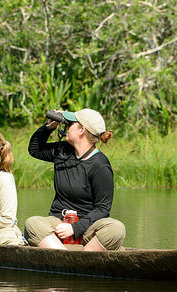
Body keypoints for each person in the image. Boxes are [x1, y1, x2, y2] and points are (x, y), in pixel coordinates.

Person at [24, 108, 125, 251]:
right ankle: (66, 256)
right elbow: (35, 149)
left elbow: (103, 209)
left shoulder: (100, 165)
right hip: (58, 223)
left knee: (117, 229)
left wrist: (74, 228)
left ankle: (79, 256)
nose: (66, 127)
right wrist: (48, 128)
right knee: (32, 223)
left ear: (81, 130)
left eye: (70, 124)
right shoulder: (63, 151)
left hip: (88, 227)